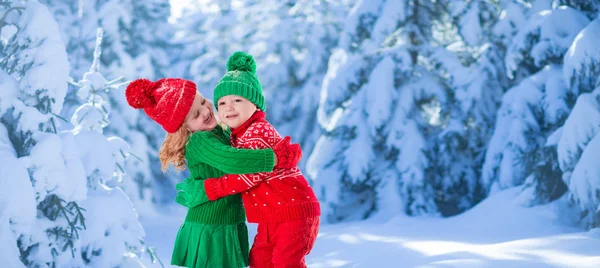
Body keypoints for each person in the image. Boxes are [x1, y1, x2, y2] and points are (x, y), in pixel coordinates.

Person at [124, 77, 302, 268]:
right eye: (195, 115)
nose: (205, 111)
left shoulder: (219, 132)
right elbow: (233, 161)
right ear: (184, 128)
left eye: (202, 101)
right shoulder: (201, 140)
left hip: (226, 221)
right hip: (211, 227)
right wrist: (274, 158)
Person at [175, 52, 320, 268]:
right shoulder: (236, 135)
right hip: (272, 215)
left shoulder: (258, 130)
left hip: (294, 212)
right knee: (259, 260)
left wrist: (211, 188)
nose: (228, 107)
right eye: (222, 103)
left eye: (237, 100)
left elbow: (250, 172)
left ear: (255, 104)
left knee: (285, 262)